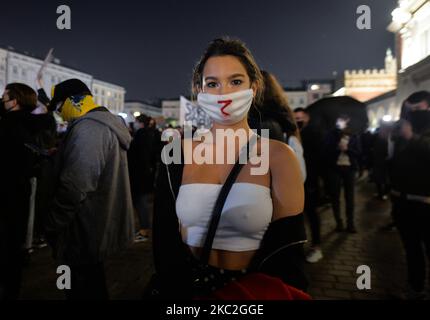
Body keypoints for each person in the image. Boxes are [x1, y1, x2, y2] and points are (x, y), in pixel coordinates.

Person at [150, 37, 307, 299]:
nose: (224, 94)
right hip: (188, 291)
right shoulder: (176, 153)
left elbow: (288, 253)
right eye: (213, 83)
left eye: (235, 81)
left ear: (254, 87)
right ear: (199, 90)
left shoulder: (279, 157)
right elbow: (164, 240)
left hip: (250, 294)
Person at [44, 79, 135, 300]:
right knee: (91, 283)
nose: (60, 115)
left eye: (59, 107)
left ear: (74, 101)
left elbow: (75, 186)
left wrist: (53, 222)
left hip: (83, 228)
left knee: (80, 288)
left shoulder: (88, 129)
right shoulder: (99, 125)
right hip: (94, 224)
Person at [0, 83, 43, 299]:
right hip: (21, 189)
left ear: (14, 101)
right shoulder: (34, 124)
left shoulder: (8, 125)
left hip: (4, 191)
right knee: (14, 244)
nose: (2, 100)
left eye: (4, 97)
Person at [389, 91, 430, 299]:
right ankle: (415, 288)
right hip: (403, 202)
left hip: (425, 202)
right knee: (412, 250)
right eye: (409, 110)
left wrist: (411, 137)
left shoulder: (418, 131)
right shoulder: (403, 131)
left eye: (418, 109)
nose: (413, 114)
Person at [249, 70, 306, 181]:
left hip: (256, 180)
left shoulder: (250, 119)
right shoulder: (283, 115)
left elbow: (247, 160)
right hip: (281, 177)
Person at [294, 107, 324, 263]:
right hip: (297, 181)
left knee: (312, 214)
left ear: (307, 118)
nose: (298, 120)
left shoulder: (313, 133)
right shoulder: (294, 134)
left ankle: (317, 246)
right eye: (296, 118)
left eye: (300, 117)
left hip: (310, 181)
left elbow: (317, 159)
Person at [324, 115, 362, 233]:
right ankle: (339, 222)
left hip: (349, 169)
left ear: (348, 121)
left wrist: (347, 150)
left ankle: (350, 223)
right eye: (339, 120)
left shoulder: (354, 135)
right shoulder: (331, 134)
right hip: (335, 169)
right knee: (335, 196)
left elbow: (359, 152)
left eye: (344, 120)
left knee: (349, 197)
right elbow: (326, 150)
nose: (342, 122)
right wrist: (337, 147)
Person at [128, 114, 156, 242]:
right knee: (140, 203)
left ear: (141, 123)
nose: (135, 123)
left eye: (136, 121)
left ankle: (144, 231)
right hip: (145, 174)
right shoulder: (150, 134)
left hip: (139, 175)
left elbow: (139, 155)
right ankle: (143, 229)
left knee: (141, 203)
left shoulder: (141, 135)